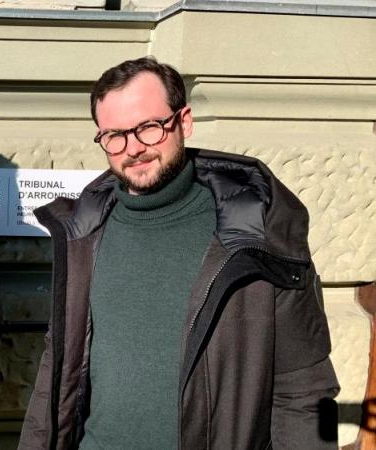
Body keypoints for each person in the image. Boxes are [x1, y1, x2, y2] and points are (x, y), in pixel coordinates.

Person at [19, 57, 339, 449]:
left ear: (183, 121)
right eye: (114, 135)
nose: (133, 148)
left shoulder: (257, 232)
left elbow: (303, 388)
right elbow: (57, 372)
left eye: (149, 128)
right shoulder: (82, 235)